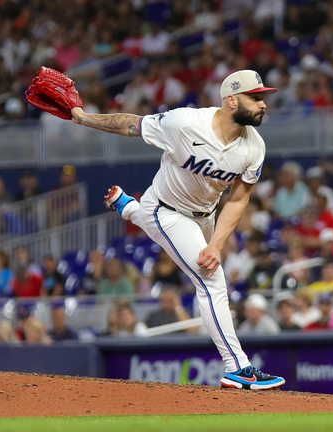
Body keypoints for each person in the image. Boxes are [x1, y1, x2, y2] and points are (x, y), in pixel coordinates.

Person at [72, 69, 286, 389]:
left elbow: (240, 197)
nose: (263, 104)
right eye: (255, 97)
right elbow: (132, 124)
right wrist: (83, 118)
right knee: (210, 280)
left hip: (205, 214)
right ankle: (237, 367)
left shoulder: (254, 147)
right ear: (231, 100)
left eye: (263, 98)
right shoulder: (185, 123)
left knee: (207, 263)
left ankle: (128, 208)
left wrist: (216, 242)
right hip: (165, 210)